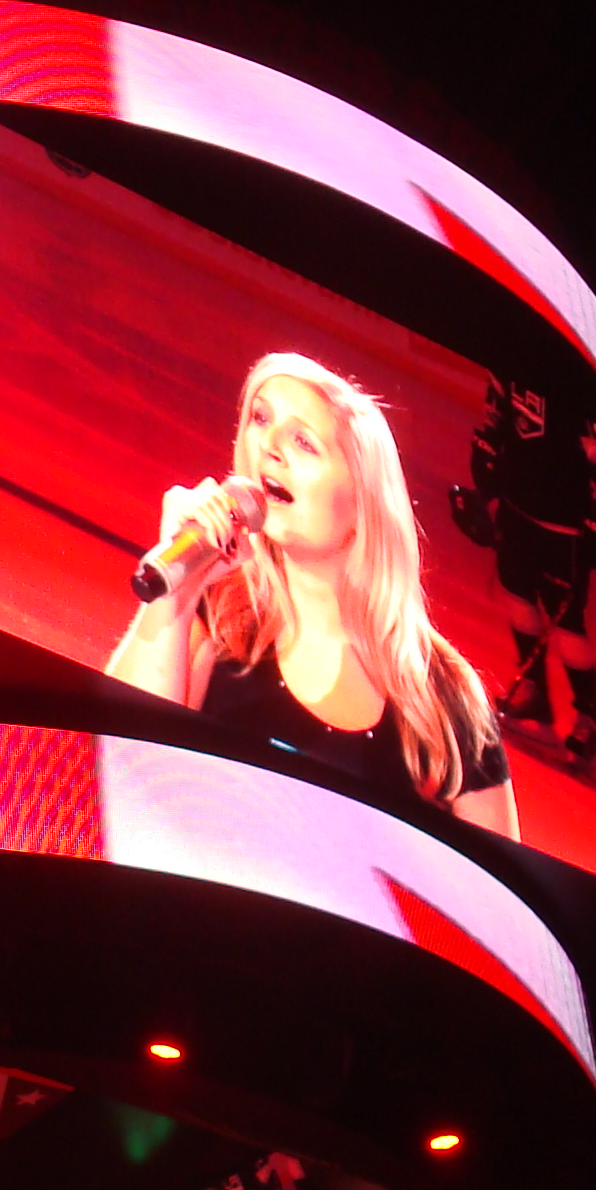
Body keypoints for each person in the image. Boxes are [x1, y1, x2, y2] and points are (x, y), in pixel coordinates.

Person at [107, 353, 517, 836]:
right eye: (260, 418)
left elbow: (496, 889)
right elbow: (117, 768)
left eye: (304, 442)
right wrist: (174, 598)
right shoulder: (214, 614)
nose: (269, 446)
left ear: (363, 502)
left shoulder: (443, 696)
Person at [459, 373, 596, 763]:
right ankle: (533, 693)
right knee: (516, 594)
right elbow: (496, 420)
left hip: (564, 524)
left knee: (567, 623)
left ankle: (588, 719)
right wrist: (486, 476)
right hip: (517, 508)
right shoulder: (510, 365)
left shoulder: (581, 386)